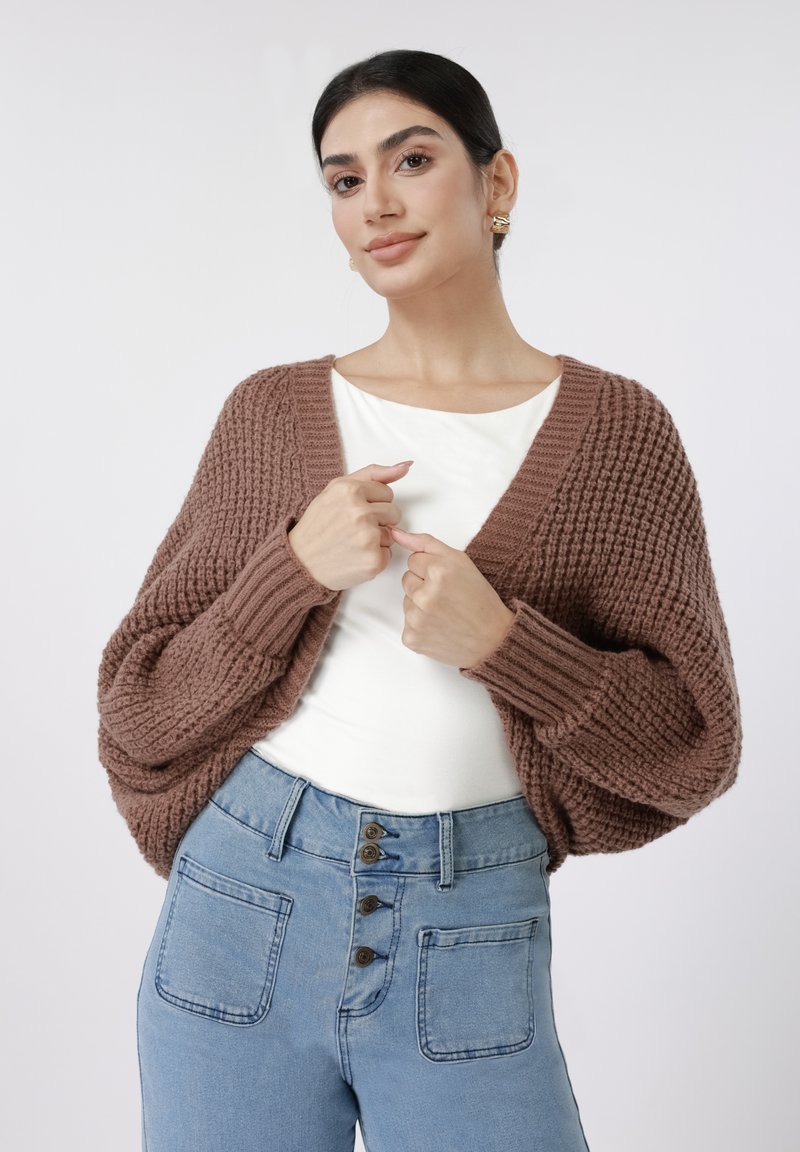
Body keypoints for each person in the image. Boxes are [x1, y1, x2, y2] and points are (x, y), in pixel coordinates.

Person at [96, 48, 742, 1152]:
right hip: (243, 903)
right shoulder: (270, 413)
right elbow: (139, 704)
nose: (376, 204)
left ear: (497, 183)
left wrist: (506, 645)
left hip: (472, 915)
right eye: (344, 180)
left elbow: (691, 739)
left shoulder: (617, 434)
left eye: (410, 160)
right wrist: (290, 574)